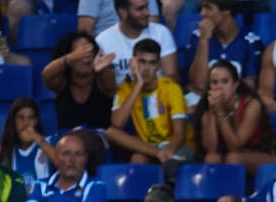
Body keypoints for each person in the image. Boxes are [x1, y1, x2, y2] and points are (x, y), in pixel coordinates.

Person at [107, 39, 193, 174]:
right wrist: (139, 84)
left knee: (168, 163)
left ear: (158, 66)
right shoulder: (126, 88)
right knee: (113, 135)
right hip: (151, 148)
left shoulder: (171, 88)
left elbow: (179, 134)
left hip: (178, 147)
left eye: (152, 63)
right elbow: (117, 124)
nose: (146, 69)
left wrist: (167, 152)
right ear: (133, 63)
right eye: (142, 62)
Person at [196, 60, 271, 174]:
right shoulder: (208, 110)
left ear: (235, 85)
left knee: (233, 159)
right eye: (214, 82)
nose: (219, 87)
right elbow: (211, 150)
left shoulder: (252, 105)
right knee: (211, 158)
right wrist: (213, 111)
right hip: (226, 155)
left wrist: (221, 113)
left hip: (258, 153)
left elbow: (236, 147)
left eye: (225, 81)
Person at [182, 0, 263, 96]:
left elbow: (250, 85)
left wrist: (214, 89)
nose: (202, 13)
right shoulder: (197, 38)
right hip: (204, 101)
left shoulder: (251, 42)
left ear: (226, 11)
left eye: (208, 8)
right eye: (202, 8)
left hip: (236, 100)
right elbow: (199, 84)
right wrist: (204, 40)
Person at [95, 0, 179, 90]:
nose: (147, 13)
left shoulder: (161, 32)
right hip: (122, 100)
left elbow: (172, 77)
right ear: (123, 13)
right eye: (140, 9)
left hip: (159, 97)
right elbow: (108, 91)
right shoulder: (103, 41)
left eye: (147, 7)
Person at [43, 33, 113, 134]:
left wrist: (101, 71)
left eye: (89, 52)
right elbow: (46, 75)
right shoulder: (61, 83)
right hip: (67, 143)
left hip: (98, 143)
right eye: (80, 53)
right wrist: (69, 58)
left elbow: (110, 86)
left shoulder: (102, 78)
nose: (86, 58)